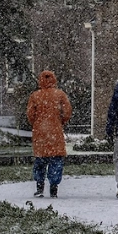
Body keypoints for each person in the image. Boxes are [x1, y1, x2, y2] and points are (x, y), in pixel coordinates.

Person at [26, 70, 72, 198]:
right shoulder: (60, 95)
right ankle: (54, 187)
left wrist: (37, 123)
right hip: (55, 132)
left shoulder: (35, 96)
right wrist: (59, 121)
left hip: (40, 133)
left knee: (40, 160)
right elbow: (67, 111)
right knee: (56, 160)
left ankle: (39, 187)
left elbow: (30, 114)